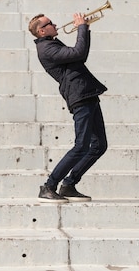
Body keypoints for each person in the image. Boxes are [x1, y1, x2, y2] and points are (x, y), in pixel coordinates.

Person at [28, 12, 108, 203]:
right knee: (81, 146)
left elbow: (80, 57)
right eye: (50, 23)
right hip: (79, 96)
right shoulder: (46, 48)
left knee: (99, 146)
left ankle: (69, 184)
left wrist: (84, 29)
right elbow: (79, 53)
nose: (55, 24)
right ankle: (48, 186)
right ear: (41, 31)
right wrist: (82, 28)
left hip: (87, 94)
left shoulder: (52, 44)